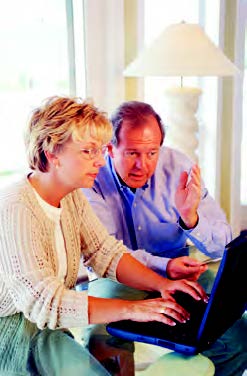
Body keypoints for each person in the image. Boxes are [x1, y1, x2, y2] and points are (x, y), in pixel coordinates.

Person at [0, 96, 208, 376]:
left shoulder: (71, 197)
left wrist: (162, 285)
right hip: (11, 335)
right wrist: (132, 309)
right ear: (52, 153)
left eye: (100, 150)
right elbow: (44, 302)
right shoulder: (16, 206)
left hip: (46, 329)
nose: (100, 160)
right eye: (88, 151)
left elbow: (104, 252)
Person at [82, 101, 247, 375]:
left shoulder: (179, 167)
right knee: (101, 337)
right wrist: (164, 267)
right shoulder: (91, 178)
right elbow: (106, 253)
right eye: (132, 153)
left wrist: (189, 218)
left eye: (151, 153)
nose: (142, 165)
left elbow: (221, 244)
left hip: (180, 274)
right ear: (110, 149)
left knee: (239, 339)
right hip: (115, 276)